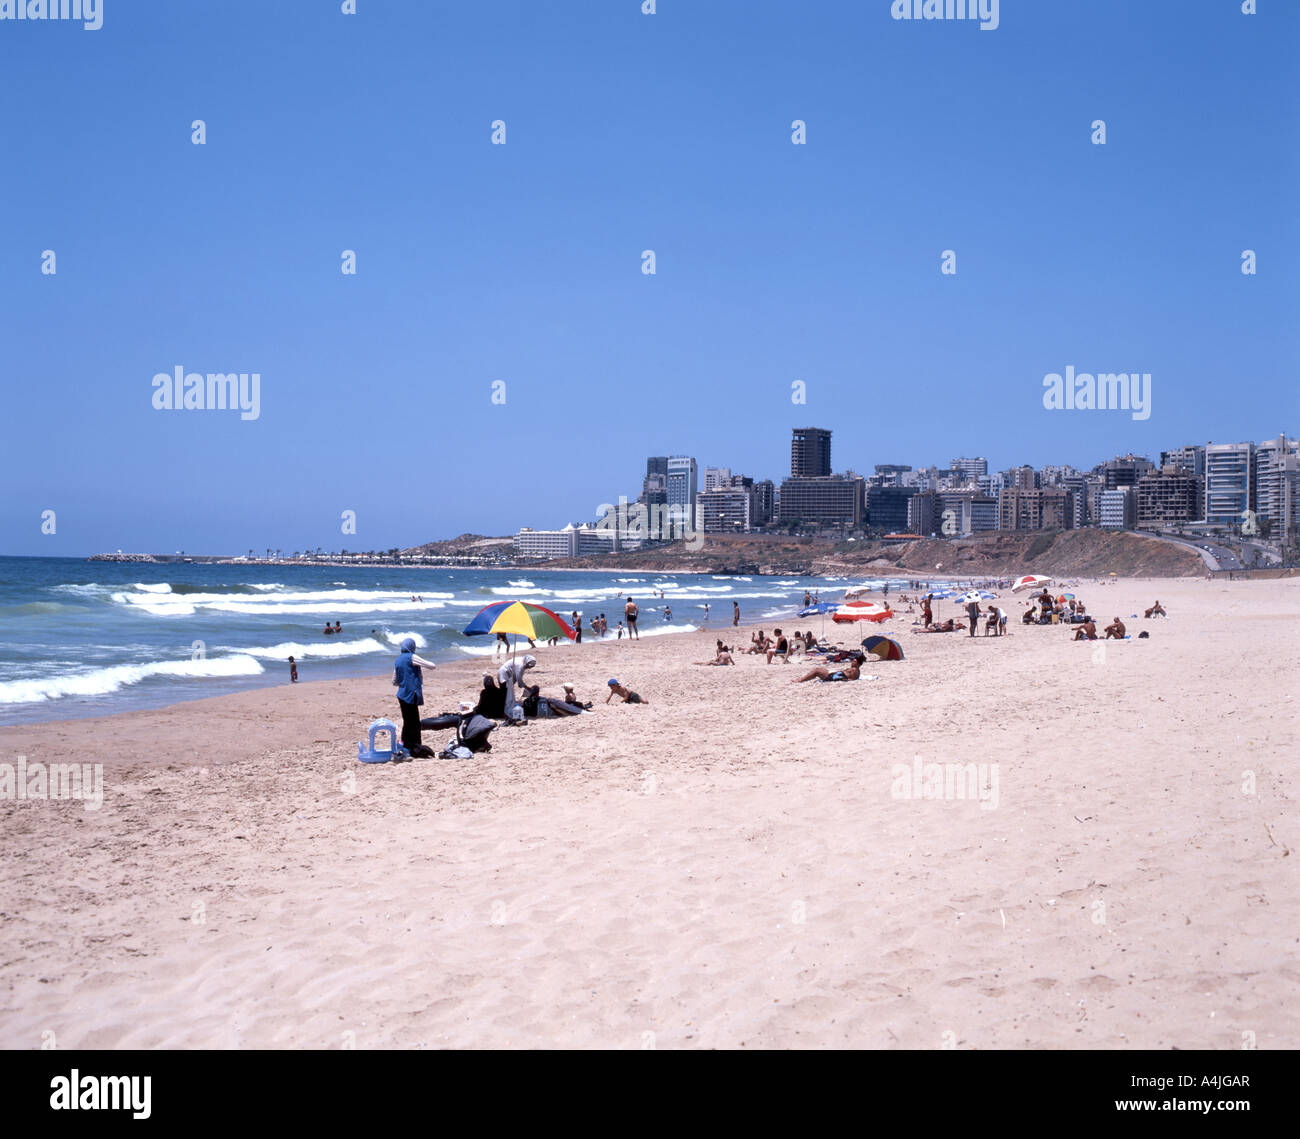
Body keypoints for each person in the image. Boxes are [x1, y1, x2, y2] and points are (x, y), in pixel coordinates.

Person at [393, 637, 437, 756]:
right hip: (410, 694)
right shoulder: (412, 657)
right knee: (414, 722)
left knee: (407, 721)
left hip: (401, 694)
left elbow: (394, 681)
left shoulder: (397, 660)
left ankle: (405, 744)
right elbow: (432, 666)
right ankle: (415, 745)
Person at [498, 654, 538, 722]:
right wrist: (527, 688)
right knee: (508, 696)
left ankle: (503, 711)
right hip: (504, 675)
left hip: (505, 674)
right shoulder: (520, 665)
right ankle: (506, 713)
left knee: (505, 694)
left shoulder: (522, 661)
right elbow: (519, 682)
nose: (529, 668)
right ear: (526, 662)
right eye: (528, 666)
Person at [793, 660, 861, 683]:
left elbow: (849, 678)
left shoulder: (853, 670)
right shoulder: (857, 671)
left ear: (858, 664)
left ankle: (801, 680)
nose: (852, 662)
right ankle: (803, 679)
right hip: (837, 675)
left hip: (835, 676)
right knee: (819, 669)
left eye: (854, 661)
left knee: (816, 670)